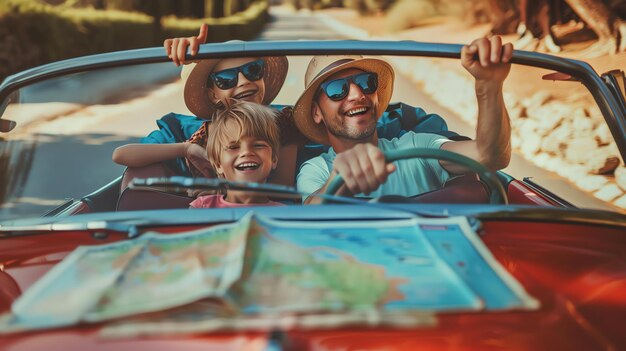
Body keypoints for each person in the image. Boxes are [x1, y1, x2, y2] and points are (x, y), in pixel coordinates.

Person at [294, 37, 513, 204]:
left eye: (366, 82)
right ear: (316, 112)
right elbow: (311, 215)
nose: (357, 94)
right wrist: (339, 181)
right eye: (336, 89)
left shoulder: (417, 146)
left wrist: (488, 85)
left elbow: (490, 156)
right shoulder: (317, 170)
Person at [189, 100, 284, 208]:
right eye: (233, 147)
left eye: (258, 145)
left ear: (274, 159)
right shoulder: (202, 208)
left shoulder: (285, 214)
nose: (247, 152)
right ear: (218, 164)